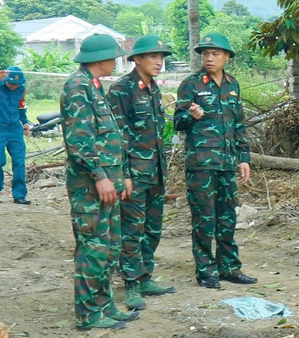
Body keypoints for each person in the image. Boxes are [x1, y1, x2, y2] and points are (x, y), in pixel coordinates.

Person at [60, 33, 138, 330]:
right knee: (93, 247)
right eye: (113, 56)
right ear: (101, 59)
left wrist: (121, 177)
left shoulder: (93, 86)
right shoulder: (77, 87)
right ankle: (88, 314)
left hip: (109, 183)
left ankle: (105, 305)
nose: (116, 61)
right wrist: (99, 176)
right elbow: (80, 140)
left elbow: (108, 138)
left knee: (110, 247)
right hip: (90, 186)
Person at [173, 32, 254, 289]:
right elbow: (177, 122)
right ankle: (206, 271)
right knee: (204, 218)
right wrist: (191, 116)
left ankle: (229, 267)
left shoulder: (232, 84)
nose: (209, 58)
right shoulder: (191, 84)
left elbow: (239, 124)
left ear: (227, 56)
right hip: (201, 163)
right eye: (205, 54)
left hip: (226, 163)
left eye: (215, 53)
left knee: (227, 217)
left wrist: (243, 158)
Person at [109, 35, 177, 309]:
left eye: (161, 57)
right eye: (153, 57)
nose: (159, 62)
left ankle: (145, 277)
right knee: (131, 231)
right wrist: (123, 175)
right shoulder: (121, 89)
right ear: (136, 59)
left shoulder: (153, 89)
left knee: (153, 229)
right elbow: (116, 137)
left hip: (155, 172)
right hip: (134, 175)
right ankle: (131, 285)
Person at [0, 66, 34, 204]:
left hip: (15, 130)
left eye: (17, 84)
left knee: (19, 161)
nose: (14, 86)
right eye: (11, 83)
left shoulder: (21, 90)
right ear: (6, 80)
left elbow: (21, 108)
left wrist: (24, 122)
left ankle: (19, 194)